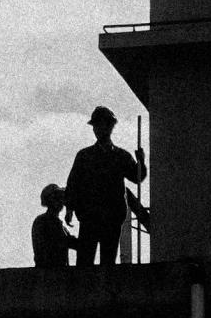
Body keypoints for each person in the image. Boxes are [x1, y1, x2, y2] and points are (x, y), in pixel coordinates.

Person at [64, 106, 146, 267]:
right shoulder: (85, 156)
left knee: (108, 264)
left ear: (109, 126)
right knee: (84, 263)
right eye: (95, 126)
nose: (96, 129)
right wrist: (69, 208)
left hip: (112, 218)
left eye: (99, 124)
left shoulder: (121, 156)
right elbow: (73, 183)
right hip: (89, 217)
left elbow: (136, 177)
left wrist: (141, 162)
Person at [31, 182, 76, 269]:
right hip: (49, 272)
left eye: (60, 198)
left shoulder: (55, 223)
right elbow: (61, 241)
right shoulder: (44, 221)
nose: (60, 202)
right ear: (50, 201)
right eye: (56, 198)